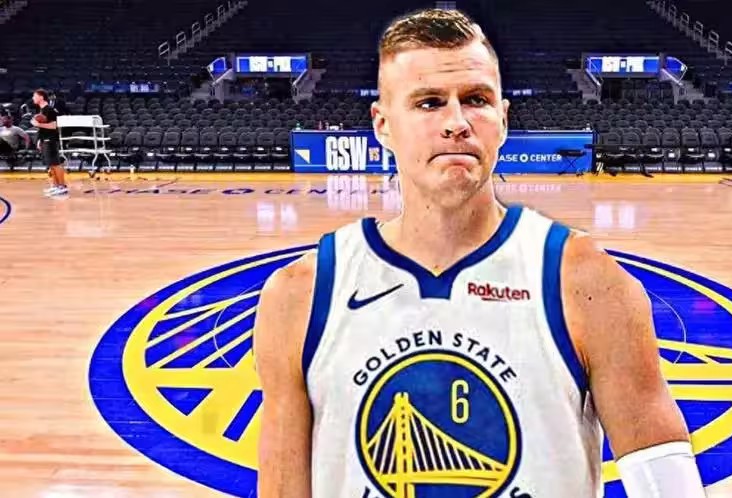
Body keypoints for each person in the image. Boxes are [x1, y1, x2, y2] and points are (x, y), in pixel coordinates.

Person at [254, 8, 705, 498]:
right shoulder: (298, 296)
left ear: (503, 119)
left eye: (476, 100)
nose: (457, 123)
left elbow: (667, 484)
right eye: (429, 103)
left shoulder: (587, 282)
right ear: (382, 125)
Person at [31, 89, 67, 196]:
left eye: (34, 96)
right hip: (45, 139)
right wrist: (39, 139)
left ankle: (62, 186)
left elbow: (54, 126)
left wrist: (38, 124)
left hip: (51, 139)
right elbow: (42, 129)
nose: (33, 98)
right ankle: (56, 186)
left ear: (41, 97)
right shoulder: (41, 110)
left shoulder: (50, 110)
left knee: (56, 164)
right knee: (51, 164)